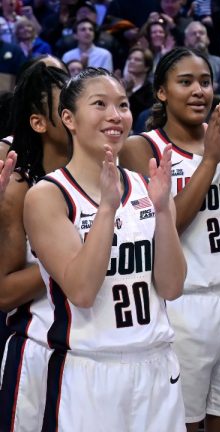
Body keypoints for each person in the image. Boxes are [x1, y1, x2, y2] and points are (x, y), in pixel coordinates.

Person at [23, 67, 186, 431]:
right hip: (89, 370)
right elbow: (81, 291)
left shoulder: (150, 186)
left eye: (124, 105)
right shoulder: (47, 196)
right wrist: (107, 209)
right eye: (100, 104)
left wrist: (162, 211)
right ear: (69, 118)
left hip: (157, 366)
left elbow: (172, 287)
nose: (116, 115)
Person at [119, 47, 220, 432]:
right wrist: (208, 161)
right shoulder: (142, 148)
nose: (198, 91)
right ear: (162, 92)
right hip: (182, 307)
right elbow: (163, 226)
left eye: (204, 82)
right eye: (184, 82)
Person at [0, 63, 69, 432]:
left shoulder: (117, 177)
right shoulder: (18, 187)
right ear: (39, 123)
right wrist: (69, 261)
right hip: (40, 347)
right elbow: (5, 292)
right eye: (65, 107)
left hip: (103, 352)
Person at [184, 21, 220, 108]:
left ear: (207, 39)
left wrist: (206, 95)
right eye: (193, 34)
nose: (198, 35)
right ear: (186, 41)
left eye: (201, 33)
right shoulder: (179, 66)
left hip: (212, 119)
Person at [123, 47, 155, 132]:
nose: (131, 61)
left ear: (146, 67)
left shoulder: (151, 90)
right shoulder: (119, 85)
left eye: (137, 60)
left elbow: (145, 114)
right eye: (130, 58)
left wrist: (129, 93)